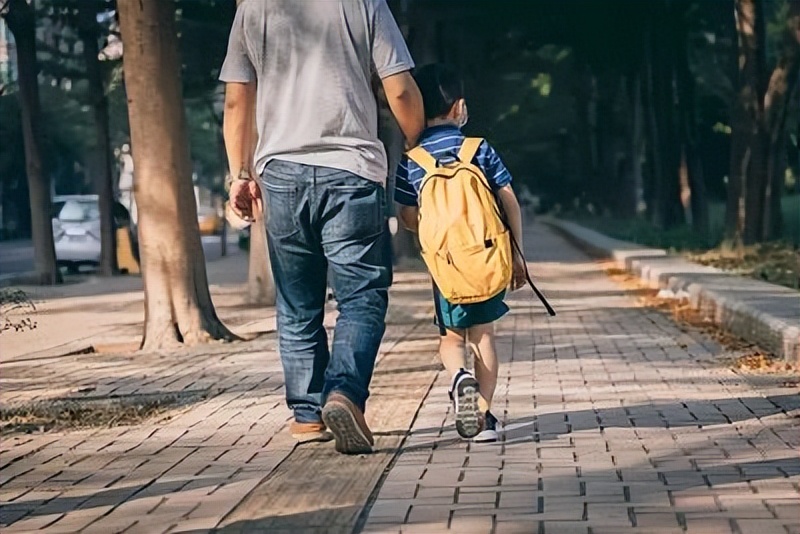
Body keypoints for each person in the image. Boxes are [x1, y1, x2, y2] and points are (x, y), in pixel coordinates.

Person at [220, 0, 425, 455]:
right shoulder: (365, 3)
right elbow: (399, 89)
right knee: (361, 297)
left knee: (298, 303)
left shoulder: (253, 7)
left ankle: (308, 415)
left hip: (281, 174)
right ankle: (344, 393)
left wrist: (239, 173)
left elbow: (237, 98)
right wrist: (418, 143)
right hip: (351, 169)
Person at [394, 64, 527, 443]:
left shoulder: (413, 160)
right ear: (460, 107)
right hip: (486, 256)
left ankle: (458, 377)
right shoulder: (478, 148)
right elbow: (508, 200)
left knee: (452, 338)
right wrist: (517, 253)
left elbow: (407, 216)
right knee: (483, 337)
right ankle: (483, 417)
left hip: (446, 265)